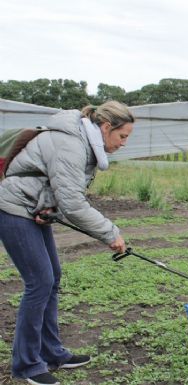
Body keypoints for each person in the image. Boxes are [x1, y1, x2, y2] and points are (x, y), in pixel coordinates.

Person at [0, 101, 133, 385]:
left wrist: (50, 209)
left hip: (33, 209)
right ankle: (26, 365)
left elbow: (58, 189)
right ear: (106, 127)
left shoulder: (84, 144)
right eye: (122, 136)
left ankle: (51, 352)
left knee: (52, 278)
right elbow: (73, 203)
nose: (124, 144)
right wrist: (111, 233)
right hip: (13, 208)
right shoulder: (71, 144)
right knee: (39, 282)